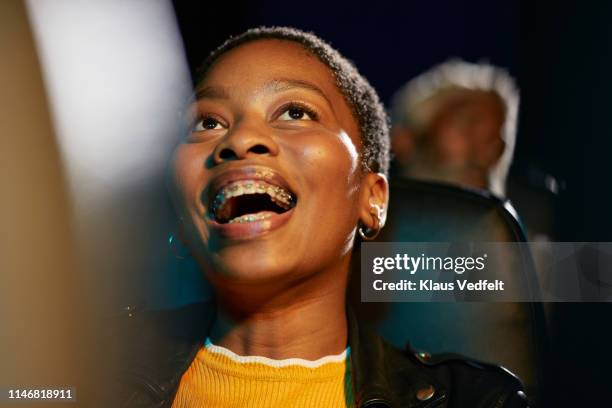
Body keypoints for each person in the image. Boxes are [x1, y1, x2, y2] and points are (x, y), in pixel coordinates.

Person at [114, 27, 529, 408]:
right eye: (207, 122)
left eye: (295, 112)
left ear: (373, 199)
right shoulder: (80, 365)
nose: (240, 139)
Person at [390, 59, 519, 198]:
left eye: (496, 142)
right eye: (469, 125)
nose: (486, 154)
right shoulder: (374, 203)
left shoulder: (529, 213)